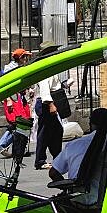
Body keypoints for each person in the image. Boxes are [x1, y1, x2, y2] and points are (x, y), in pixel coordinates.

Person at [49, 107, 107, 182]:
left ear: (90, 123)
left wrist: (67, 188)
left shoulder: (74, 145)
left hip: (77, 189)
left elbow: (53, 172)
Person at [33, 41, 65, 170]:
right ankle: (40, 160)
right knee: (45, 132)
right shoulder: (45, 66)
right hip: (46, 103)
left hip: (50, 100)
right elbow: (45, 88)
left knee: (55, 131)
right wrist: (50, 104)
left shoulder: (51, 66)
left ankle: (57, 157)